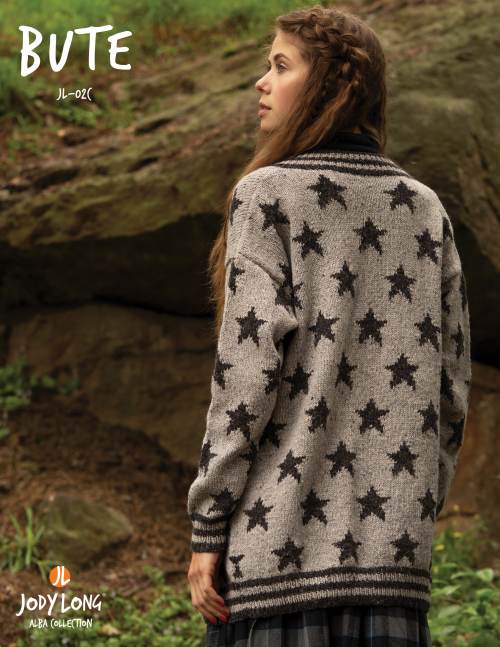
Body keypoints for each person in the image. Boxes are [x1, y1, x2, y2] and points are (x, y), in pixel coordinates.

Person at [186, 5, 472, 646]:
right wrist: (411, 507)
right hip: (393, 566)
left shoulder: (267, 195)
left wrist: (209, 523)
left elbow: (245, 377)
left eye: (280, 66)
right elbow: (452, 387)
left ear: (330, 87)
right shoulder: (425, 209)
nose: (261, 82)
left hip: (275, 561)